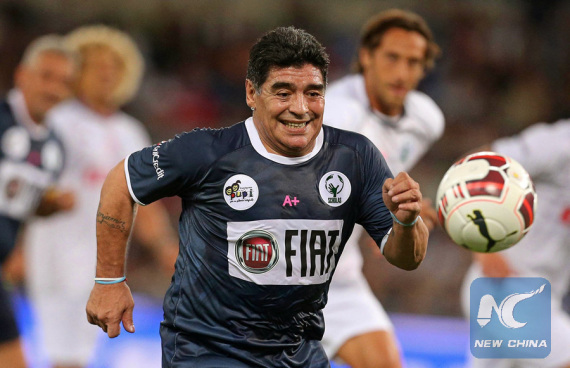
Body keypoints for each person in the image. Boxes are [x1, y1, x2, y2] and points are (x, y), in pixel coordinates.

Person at [85, 26, 429, 367]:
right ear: (252, 93)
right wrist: (109, 281)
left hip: (298, 350)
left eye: (313, 93)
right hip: (208, 350)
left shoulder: (355, 156)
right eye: (283, 92)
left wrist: (406, 221)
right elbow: (123, 181)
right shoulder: (209, 152)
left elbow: (406, 257)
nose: (300, 108)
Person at [24, 25, 178, 368]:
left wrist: (167, 249)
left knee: (81, 352)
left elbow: (144, 203)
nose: (106, 74)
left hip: (104, 261)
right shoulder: (55, 122)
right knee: (61, 353)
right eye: (95, 66)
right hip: (56, 249)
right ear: (75, 72)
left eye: (113, 66)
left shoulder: (129, 130)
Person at [322, 9, 443, 368]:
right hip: (282, 274)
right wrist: (379, 209)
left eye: (414, 62)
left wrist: (396, 216)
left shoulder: (426, 121)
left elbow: (385, 177)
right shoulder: (335, 114)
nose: (403, 72)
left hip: (338, 280)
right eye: (392, 57)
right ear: (366, 57)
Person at [460, 119, 570, 368]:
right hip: (503, 289)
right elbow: (474, 166)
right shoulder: (558, 144)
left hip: (544, 297)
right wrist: (480, 242)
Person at [0, 34, 77, 368]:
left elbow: (18, 207)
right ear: (22, 75)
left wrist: (49, 207)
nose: (54, 88)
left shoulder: (55, 149)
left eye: (64, 82)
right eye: (47, 76)